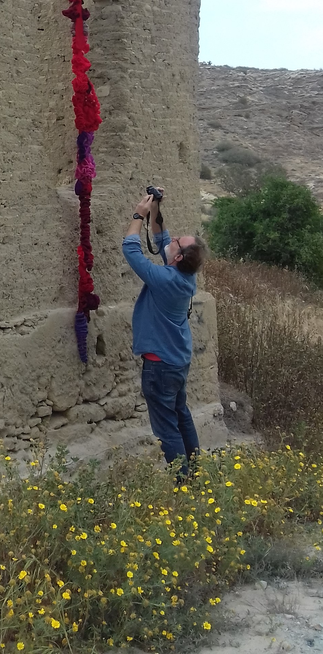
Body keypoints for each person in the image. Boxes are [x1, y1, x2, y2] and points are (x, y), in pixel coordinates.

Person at [122, 188, 205, 472]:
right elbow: (162, 240)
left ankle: (183, 481)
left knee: (167, 428)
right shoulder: (185, 275)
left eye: (178, 242)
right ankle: (196, 474)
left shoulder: (165, 279)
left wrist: (138, 215)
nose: (173, 238)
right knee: (181, 416)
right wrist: (156, 210)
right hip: (177, 360)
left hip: (160, 367)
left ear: (179, 257)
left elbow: (131, 249)